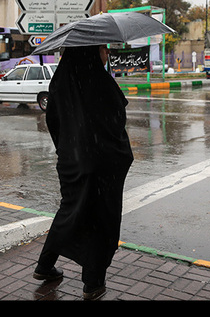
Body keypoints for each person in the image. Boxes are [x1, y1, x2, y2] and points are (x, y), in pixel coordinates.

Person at [33, 45, 134, 300]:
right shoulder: (100, 82)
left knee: (70, 210)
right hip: (103, 164)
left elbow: (53, 123)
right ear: (90, 52)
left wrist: (69, 151)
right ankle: (93, 283)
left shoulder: (59, 83)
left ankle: (44, 266)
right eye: (103, 49)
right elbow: (116, 120)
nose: (107, 54)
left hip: (71, 161)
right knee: (102, 219)